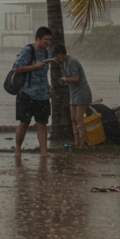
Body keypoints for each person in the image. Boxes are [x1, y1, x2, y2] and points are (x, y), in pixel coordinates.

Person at [13, 27, 53, 158]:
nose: (48, 42)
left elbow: (43, 74)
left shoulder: (47, 53)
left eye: (49, 40)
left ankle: (43, 152)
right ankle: (18, 149)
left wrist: (49, 88)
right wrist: (34, 67)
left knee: (42, 124)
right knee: (24, 123)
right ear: (38, 39)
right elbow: (17, 68)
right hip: (27, 93)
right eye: (46, 40)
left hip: (43, 95)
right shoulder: (28, 50)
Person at [53, 45, 92, 148]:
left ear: (61, 54)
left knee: (79, 118)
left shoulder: (72, 62)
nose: (56, 59)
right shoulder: (64, 64)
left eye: (57, 56)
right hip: (73, 92)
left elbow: (76, 79)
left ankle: (83, 143)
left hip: (82, 92)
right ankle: (76, 142)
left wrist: (65, 79)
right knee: (73, 118)